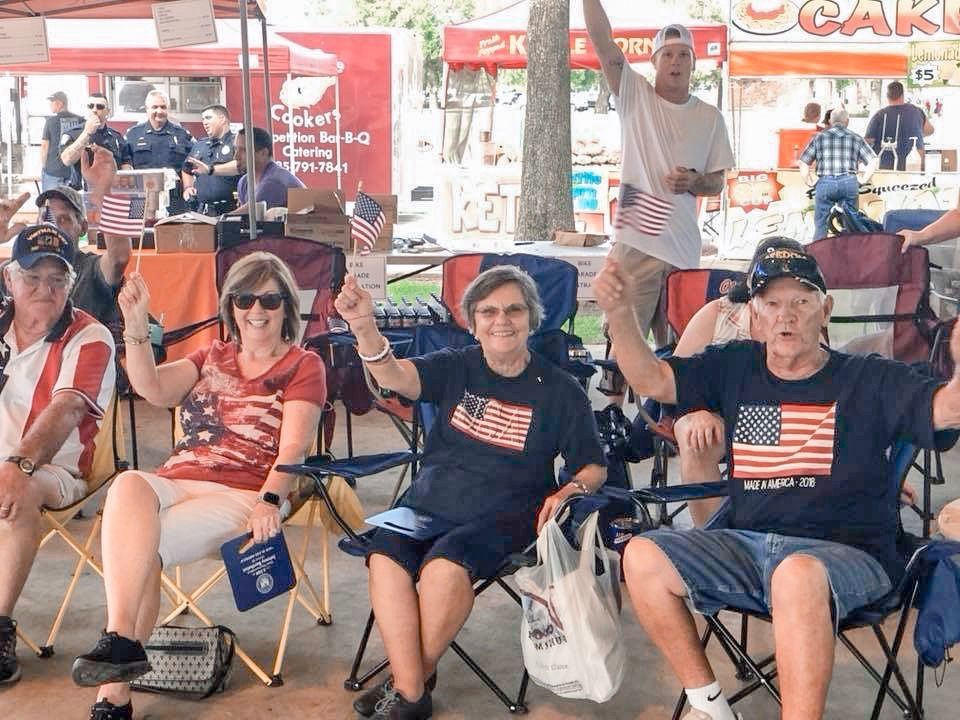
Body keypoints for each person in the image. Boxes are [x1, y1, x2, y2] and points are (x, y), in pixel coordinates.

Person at [594, 243, 960, 720]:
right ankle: (710, 707)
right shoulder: (734, 365)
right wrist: (621, 316)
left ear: (825, 311)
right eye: (772, 303)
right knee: (642, 555)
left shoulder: (868, 378)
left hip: (849, 555)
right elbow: (653, 381)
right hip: (748, 545)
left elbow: (944, 409)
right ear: (754, 315)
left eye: (801, 302)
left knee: (796, 575)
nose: (786, 315)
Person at [334, 265, 605, 719]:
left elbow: (593, 465)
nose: (502, 320)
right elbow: (395, 377)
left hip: (507, 511)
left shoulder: (560, 390)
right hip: (431, 500)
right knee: (384, 558)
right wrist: (364, 327)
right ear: (472, 322)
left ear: (532, 318)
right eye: (488, 311)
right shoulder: (456, 366)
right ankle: (413, 688)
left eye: (514, 310)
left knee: (443, 568)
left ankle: (406, 686)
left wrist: (571, 490)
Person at [71, 252, 326, 720]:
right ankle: (122, 640)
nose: (256, 310)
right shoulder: (212, 356)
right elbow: (152, 388)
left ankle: (113, 693)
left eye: (270, 300)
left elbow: (293, 448)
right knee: (128, 484)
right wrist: (135, 325)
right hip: (180, 477)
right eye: (245, 298)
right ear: (231, 307)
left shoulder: (302, 365)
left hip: (245, 493)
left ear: (287, 307)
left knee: (139, 552)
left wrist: (271, 500)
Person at [0, 224, 117, 686]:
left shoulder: (89, 336)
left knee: (20, 489)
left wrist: (17, 464)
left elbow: (67, 409)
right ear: (9, 279)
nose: (44, 290)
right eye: (32, 278)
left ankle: (0, 627)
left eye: (56, 279)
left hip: (55, 469)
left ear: (72, 283)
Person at [584, 1, 733, 351]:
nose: (675, 62)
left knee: (683, 351)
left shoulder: (711, 118)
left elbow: (717, 182)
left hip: (683, 250)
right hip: (635, 244)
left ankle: (674, 392)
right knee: (623, 345)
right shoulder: (635, 95)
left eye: (683, 55)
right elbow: (603, 42)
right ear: (654, 62)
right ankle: (615, 391)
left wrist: (694, 181)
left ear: (694, 63)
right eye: (667, 55)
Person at [670, 237, 805, 526]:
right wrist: (696, 409)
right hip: (711, 412)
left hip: (779, 414)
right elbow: (675, 378)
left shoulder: (807, 318)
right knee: (697, 440)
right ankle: (713, 539)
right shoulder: (718, 313)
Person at [0, 147, 132, 328]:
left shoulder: (90, 269)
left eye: (63, 219)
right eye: (45, 217)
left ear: (83, 227)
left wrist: (105, 192)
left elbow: (119, 258)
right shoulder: (14, 269)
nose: (52, 225)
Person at [798, 107, 877, 241]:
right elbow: (873, 160)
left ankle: (819, 250)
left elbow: (803, 162)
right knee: (851, 222)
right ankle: (850, 249)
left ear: (830, 121)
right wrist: (864, 179)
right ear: (847, 121)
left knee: (821, 223)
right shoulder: (856, 138)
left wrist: (809, 181)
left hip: (825, 182)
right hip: (849, 181)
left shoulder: (819, 138)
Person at [122, 90, 195, 214]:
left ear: (168, 109)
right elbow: (125, 163)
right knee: (138, 227)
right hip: (141, 199)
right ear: (147, 109)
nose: (159, 111)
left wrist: (188, 187)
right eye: (155, 107)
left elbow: (191, 164)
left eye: (163, 107)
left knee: (174, 227)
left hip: (175, 201)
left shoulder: (182, 134)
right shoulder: (133, 134)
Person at [59, 92, 128, 190]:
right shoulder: (73, 133)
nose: (94, 110)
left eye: (100, 107)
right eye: (91, 106)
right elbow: (67, 160)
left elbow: (126, 165)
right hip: (83, 192)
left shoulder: (116, 137)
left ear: (108, 111)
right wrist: (87, 133)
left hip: (111, 191)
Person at [181, 104, 239, 216]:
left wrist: (210, 169)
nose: (204, 122)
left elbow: (241, 165)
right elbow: (186, 169)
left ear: (222, 119)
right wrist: (188, 187)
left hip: (231, 210)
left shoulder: (237, 142)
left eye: (208, 118)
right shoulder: (200, 145)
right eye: (203, 119)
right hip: (203, 211)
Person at [864, 81, 934, 171]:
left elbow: (867, 141)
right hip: (914, 165)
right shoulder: (916, 111)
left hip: (885, 167)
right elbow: (930, 130)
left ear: (887, 96)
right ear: (902, 95)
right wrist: (916, 133)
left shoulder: (880, 115)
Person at [233, 127, 305, 211]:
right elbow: (239, 217)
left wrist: (219, 218)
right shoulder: (244, 182)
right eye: (235, 149)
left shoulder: (274, 182)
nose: (236, 156)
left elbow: (245, 213)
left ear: (263, 153)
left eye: (243, 150)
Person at [40, 91, 83, 191]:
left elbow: (44, 147)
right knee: (72, 201)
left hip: (53, 172)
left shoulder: (50, 122)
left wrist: (44, 168)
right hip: (74, 173)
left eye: (52, 102)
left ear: (60, 104)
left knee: (52, 200)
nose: (50, 105)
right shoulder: (81, 120)